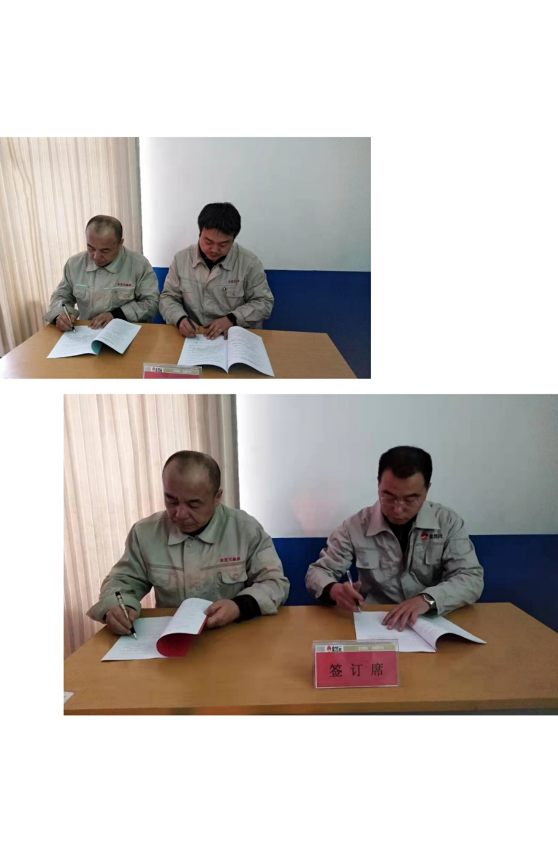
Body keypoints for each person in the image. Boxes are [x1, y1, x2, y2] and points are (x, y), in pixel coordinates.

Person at [88, 450, 289, 634]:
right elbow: (122, 581)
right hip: (172, 642)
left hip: (233, 635)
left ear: (217, 497)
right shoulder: (145, 533)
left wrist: (239, 606)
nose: (180, 514)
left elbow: (274, 583)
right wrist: (118, 607)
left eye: (193, 504)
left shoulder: (245, 529)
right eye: (171, 500)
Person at [305, 446, 484, 631]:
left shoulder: (447, 523)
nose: (397, 509)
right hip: (376, 623)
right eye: (388, 497)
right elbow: (317, 572)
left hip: (431, 620)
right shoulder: (355, 526)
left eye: (410, 500)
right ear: (378, 485)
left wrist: (428, 599)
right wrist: (333, 590)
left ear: (427, 490)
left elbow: (471, 578)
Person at [159, 202, 274, 341]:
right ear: (200, 234)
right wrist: (180, 319)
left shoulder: (249, 263)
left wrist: (233, 319)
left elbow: (264, 302)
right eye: (208, 241)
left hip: (236, 336)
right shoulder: (181, 259)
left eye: (223, 244)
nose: (214, 250)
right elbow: (168, 298)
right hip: (197, 336)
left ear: (233, 239)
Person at [43, 215, 159, 329]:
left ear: (120, 244)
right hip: (87, 331)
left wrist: (118, 314)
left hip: (128, 330)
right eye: (91, 248)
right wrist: (61, 315)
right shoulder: (74, 264)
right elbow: (61, 295)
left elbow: (152, 303)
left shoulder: (139, 265)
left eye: (105, 250)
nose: (96, 256)